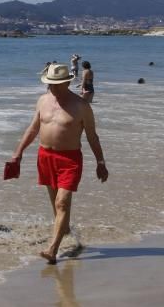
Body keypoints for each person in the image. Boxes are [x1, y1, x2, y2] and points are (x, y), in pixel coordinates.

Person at [9, 63, 108, 265]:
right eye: (50, 83)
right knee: (56, 204)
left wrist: (100, 162)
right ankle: (66, 231)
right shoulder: (43, 101)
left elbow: (92, 137)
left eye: (57, 84)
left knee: (62, 202)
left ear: (68, 82)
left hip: (70, 159)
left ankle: (52, 250)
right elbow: (33, 129)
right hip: (45, 157)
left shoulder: (81, 106)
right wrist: (17, 154)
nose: (52, 87)